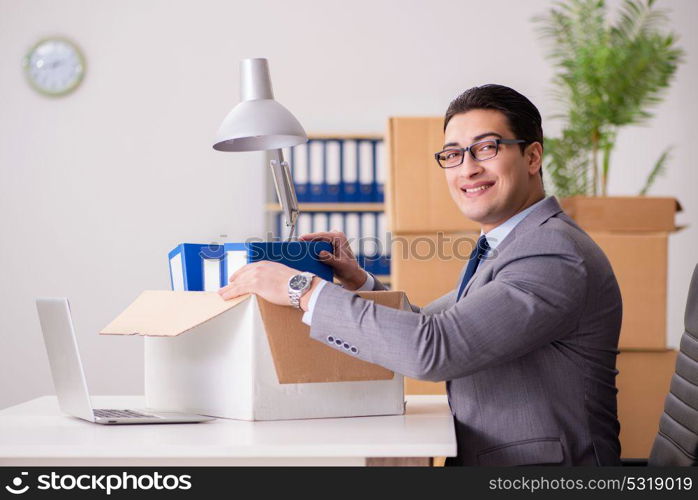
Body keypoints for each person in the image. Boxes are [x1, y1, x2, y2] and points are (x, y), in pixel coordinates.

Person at [218, 84, 623, 466]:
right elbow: (432, 324)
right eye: (453, 154)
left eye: (486, 148)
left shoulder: (551, 253)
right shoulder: (511, 243)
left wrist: (300, 289)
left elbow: (435, 349)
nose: (467, 169)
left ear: (532, 157)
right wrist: (359, 281)